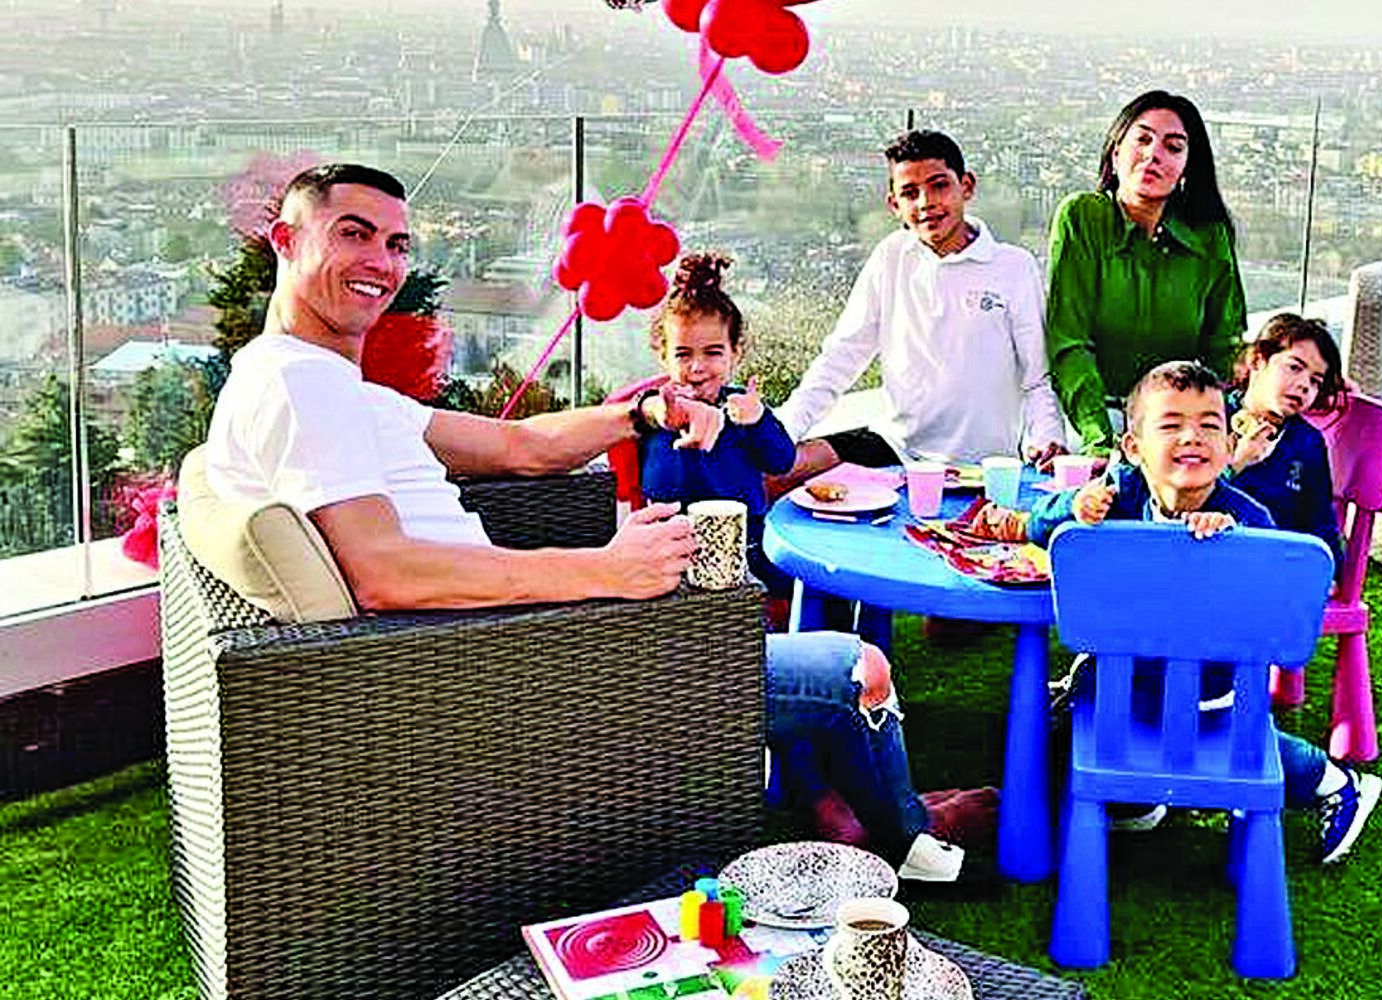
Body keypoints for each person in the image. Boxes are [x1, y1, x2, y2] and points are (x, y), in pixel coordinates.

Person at [201, 163, 980, 880]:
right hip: (520, 673)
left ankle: (852, 811)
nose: (382, 261)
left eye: (397, 244)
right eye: (354, 234)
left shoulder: (323, 385)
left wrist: (645, 413)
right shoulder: (307, 389)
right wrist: (604, 571)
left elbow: (521, 447)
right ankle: (910, 840)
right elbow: (383, 573)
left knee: (769, 643)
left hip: (503, 640)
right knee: (857, 668)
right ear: (285, 241)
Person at [1024, 361, 1382, 864]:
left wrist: (1232, 550)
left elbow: (1280, 598)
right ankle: (1137, 800)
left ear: (1230, 445)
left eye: (1210, 425)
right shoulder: (1119, 491)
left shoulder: (1248, 520)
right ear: (1133, 448)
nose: (1192, 436)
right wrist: (1074, 506)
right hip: (1113, 686)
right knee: (1061, 731)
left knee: (1214, 737)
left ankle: (1334, 780)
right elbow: (1039, 527)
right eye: (1171, 424)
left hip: (1208, 695)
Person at [772, 129, 1068, 486]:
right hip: (896, 448)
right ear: (894, 204)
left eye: (939, 185)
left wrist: (1049, 439)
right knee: (774, 474)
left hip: (984, 466)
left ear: (966, 187)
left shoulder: (1013, 267)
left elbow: (1037, 378)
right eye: (910, 193)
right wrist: (781, 431)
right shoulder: (890, 256)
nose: (926, 202)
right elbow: (840, 358)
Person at [1046, 91, 1247, 459]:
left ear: (1187, 167)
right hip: (1093, 420)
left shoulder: (1209, 234)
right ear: (1115, 152)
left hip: (1178, 428)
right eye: (1142, 139)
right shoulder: (1083, 217)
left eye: (1174, 147)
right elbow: (1069, 342)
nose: (1154, 154)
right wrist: (1099, 440)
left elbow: (1223, 346)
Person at [637, 252, 796, 596]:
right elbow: (635, 433)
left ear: (735, 353)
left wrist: (759, 420)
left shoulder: (741, 408)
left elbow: (782, 461)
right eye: (683, 354)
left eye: (712, 352)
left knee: (802, 583)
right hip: (671, 547)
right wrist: (664, 416)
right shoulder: (658, 408)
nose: (697, 367)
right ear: (663, 355)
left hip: (746, 546)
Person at [1226, 313, 1346, 576]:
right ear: (1257, 360)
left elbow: (1319, 519)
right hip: (1209, 557)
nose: (1304, 385)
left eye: (1315, 381)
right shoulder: (1211, 416)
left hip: (1273, 569)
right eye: (1295, 367)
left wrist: (1331, 572)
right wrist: (1237, 463)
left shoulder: (1308, 443)